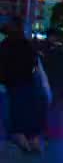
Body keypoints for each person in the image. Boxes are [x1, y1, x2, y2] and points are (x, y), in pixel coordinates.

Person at [0, 17, 47, 152]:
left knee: (14, 109)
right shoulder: (26, 44)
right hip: (27, 81)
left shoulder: (6, 45)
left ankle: (19, 136)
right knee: (28, 108)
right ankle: (32, 138)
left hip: (12, 83)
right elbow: (33, 63)